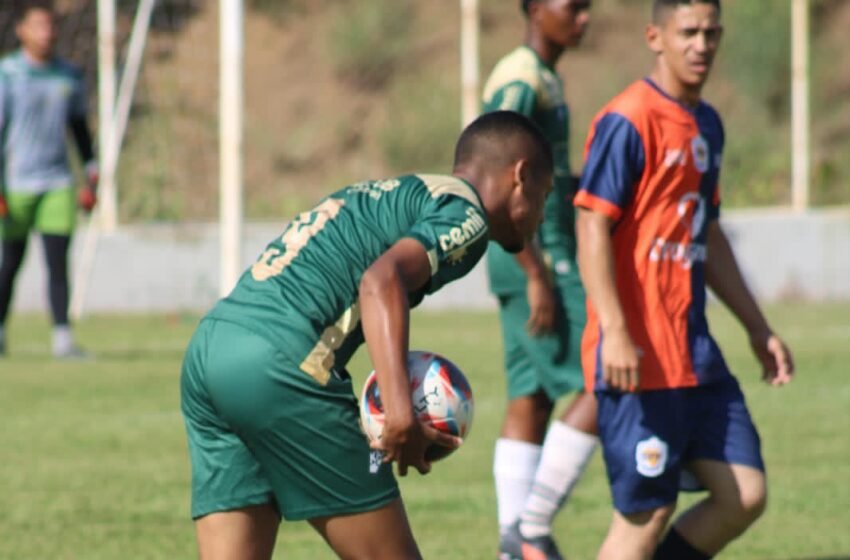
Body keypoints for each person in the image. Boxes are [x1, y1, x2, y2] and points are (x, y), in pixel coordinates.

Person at [180, 110, 554, 560]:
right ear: (521, 175)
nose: (541, 215)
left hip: (212, 349)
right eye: (545, 197)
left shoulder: (398, 192)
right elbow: (381, 281)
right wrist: (399, 411)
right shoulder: (466, 214)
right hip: (280, 364)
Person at [573, 1, 795, 558]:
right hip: (638, 359)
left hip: (694, 355)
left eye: (712, 32)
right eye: (689, 32)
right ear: (656, 36)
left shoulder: (707, 124)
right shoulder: (629, 119)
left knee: (743, 494)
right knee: (645, 515)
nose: (702, 44)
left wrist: (757, 327)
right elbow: (591, 223)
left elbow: (707, 233)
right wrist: (617, 331)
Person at [481, 1, 597, 558]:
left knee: (530, 394)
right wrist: (535, 273)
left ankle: (511, 542)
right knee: (608, 376)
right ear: (532, 8)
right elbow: (491, 172)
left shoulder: (542, 75)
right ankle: (533, 528)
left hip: (524, 256)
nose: (583, 17)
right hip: (534, 257)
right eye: (572, 6)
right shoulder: (522, 78)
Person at [0, 1, 98, 359]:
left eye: (51, 25)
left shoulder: (68, 76)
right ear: (21, 31)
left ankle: (62, 339)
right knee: (10, 262)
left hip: (57, 182)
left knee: (58, 262)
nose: (47, 32)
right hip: (15, 185)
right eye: (38, 25)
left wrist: (91, 175)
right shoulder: (7, 75)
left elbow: (79, 131)